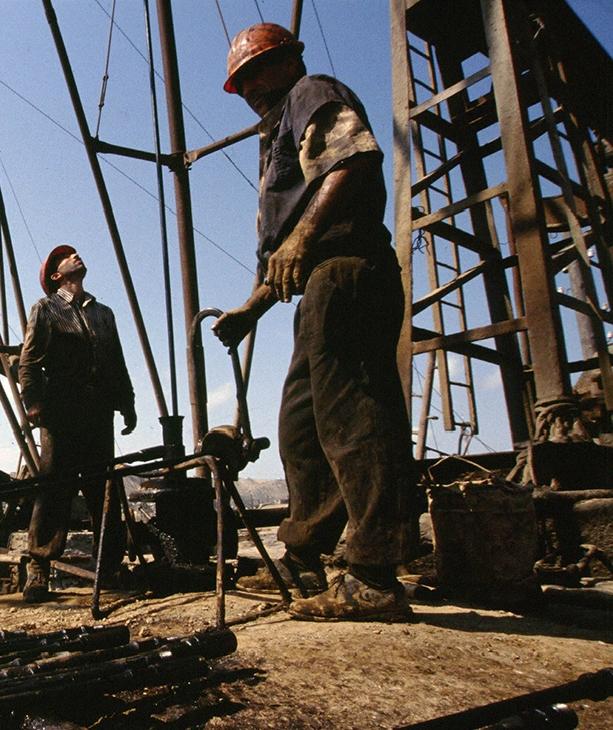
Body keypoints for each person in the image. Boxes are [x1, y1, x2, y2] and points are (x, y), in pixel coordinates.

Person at [212, 23, 421, 621]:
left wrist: (303, 238)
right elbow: (282, 253)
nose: (249, 86)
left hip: (347, 269)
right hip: (317, 288)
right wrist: (249, 312)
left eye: (257, 71)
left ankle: (376, 575)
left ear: (287, 62)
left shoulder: (312, 93)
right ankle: (305, 556)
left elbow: (352, 159)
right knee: (301, 424)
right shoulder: (277, 128)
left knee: (353, 412)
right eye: (241, 80)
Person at [18, 245, 137, 603]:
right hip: (62, 411)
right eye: (67, 257)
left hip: (98, 412)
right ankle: (38, 569)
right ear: (57, 276)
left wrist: (127, 403)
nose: (77, 256)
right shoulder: (47, 308)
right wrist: (33, 401)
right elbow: (28, 361)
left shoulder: (104, 313)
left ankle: (110, 568)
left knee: (104, 491)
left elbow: (117, 361)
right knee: (54, 488)